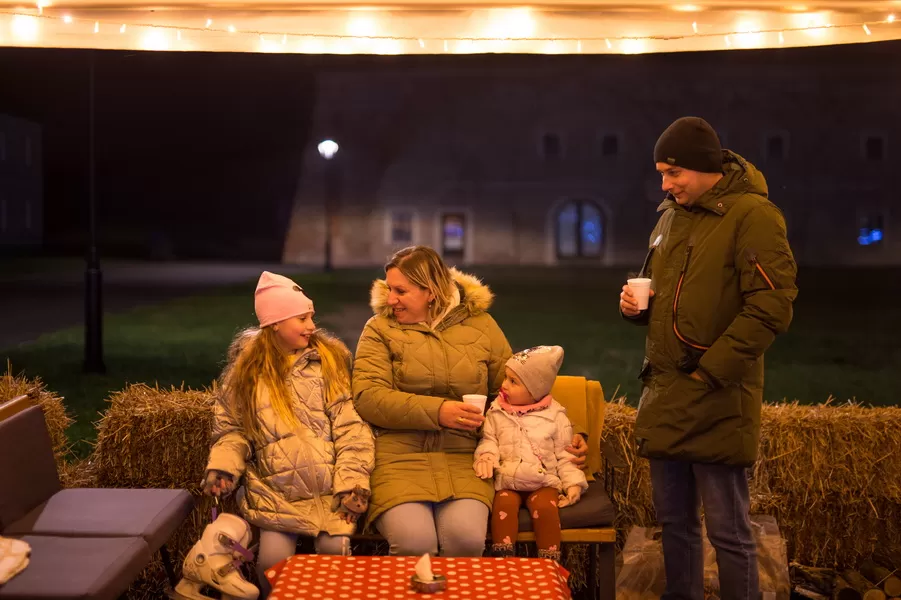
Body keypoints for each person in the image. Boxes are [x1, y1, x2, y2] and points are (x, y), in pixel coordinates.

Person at [619, 116, 798, 600]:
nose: (665, 184)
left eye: (673, 173)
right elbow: (665, 293)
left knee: (729, 531)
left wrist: (710, 371)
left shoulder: (754, 216)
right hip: (666, 394)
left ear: (703, 168)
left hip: (718, 395)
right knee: (674, 523)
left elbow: (771, 305)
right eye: (661, 174)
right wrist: (638, 307)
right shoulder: (670, 216)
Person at [352, 245, 589, 557]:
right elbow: (369, 397)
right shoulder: (379, 329)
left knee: (465, 540)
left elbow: (521, 388)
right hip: (398, 458)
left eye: (400, 291)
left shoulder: (482, 327)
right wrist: (439, 412)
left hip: (469, 459)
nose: (390, 299)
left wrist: (574, 433)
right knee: (414, 543)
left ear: (431, 291)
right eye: (389, 289)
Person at [202, 272, 374, 598]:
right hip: (276, 495)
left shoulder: (326, 365)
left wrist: (351, 482)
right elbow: (232, 432)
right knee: (272, 564)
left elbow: (352, 429)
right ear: (275, 324)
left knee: (335, 555)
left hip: (328, 492)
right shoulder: (246, 377)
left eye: (311, 316)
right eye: (302, 318)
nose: (312, 325)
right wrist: (224, 466)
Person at [473, 345, 588, 563]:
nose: (504, 385)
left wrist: (574, 484)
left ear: (535, 390)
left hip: (543, 482)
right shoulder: (496, 411)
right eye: (506, 378)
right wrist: (486, 457)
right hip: (508, 481)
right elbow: (489, 441)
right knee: (502, 508)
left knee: (546, 510)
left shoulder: (556, 417)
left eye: (513, 381)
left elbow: (566, 456)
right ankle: (504, 563)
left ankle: (549, 565)